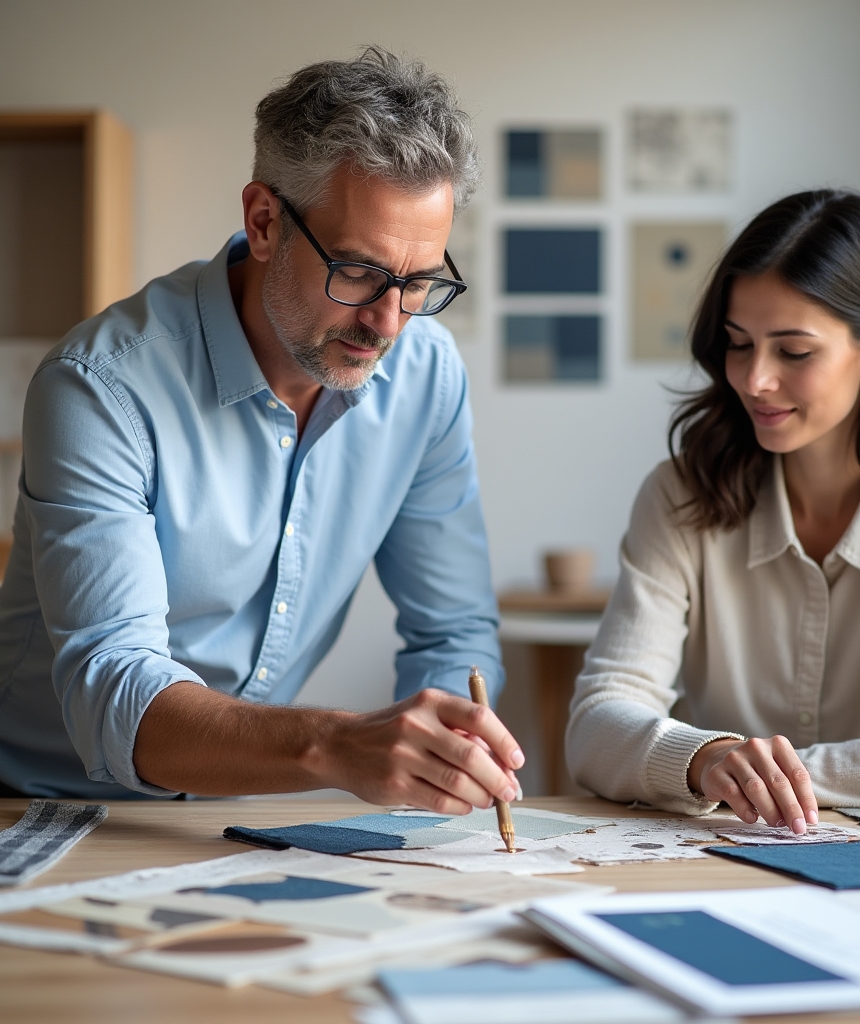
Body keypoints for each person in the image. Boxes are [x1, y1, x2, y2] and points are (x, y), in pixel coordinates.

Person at [0, 48, 524, 808]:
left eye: (418, 283)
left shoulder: (427, 375)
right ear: (265, 221)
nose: (387, 324)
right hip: (41, 805)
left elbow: (453, 631)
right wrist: (335, 745)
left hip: (233, 812)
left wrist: (448, 756)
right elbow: (115, 686)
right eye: (359, 272)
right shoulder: (100, 387)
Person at [566, 190, 860, 832]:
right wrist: (705, 758)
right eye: (738, 343)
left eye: (794, 351)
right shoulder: (681, 494)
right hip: (721, 863)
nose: (754, 379)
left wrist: (768, 777)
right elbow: (595, 724)